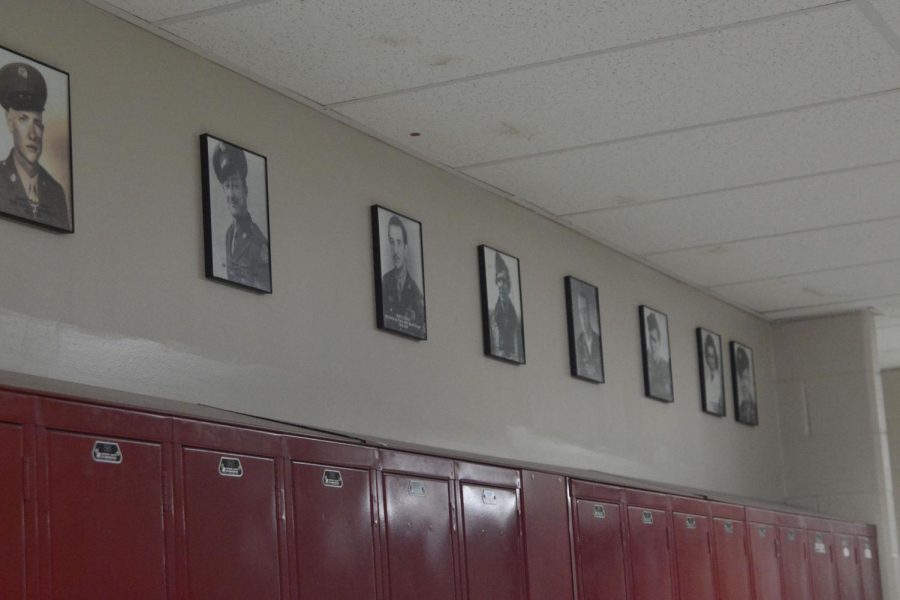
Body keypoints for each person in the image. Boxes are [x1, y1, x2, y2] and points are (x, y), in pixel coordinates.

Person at [0, 62, 69, 230]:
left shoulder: (56, 192)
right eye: (23, 119)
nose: (32, 134)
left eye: (37, 123)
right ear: (10, 124)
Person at [212, 141, 270, 291]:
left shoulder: (259, 243)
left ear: (245, 190)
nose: (231, 194)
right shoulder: (229, 234)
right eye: (227, 186)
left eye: (236, 185)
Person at [381, 215, 425, 333]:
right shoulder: (384, 282)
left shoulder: (417, 294)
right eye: (392, 242)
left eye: (399, 243)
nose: (395, 250)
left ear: (405, 248)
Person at [489, 253, 522, 361]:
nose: (501, 287)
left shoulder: (516, 317)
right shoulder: (493, 316)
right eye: (498, 282)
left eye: (503, 282)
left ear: (509, 287)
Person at [574, 289, 602, 379]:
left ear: (589, 312)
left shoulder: (598, 340)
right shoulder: (578, 343)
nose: (583, 317)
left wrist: (595, 371)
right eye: (580, 312)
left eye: (585, 311)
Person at [646, 312, 672, 400]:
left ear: (659, 341)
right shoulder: (648, 362)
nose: (652, 344)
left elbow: (667, 390)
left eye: (654, 340)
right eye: (650, 339)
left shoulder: (664, 365)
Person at [735, 346, 758, 424]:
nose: (743, 384)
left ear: (750, 379)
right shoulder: (741, 408)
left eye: (745, 378)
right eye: (740, 379)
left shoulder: (753, 407)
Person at [702, 333, 723, 413]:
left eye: (712, 356)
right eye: (708, 356)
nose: (711, 360)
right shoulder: (707, 379)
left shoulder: (719, 380)